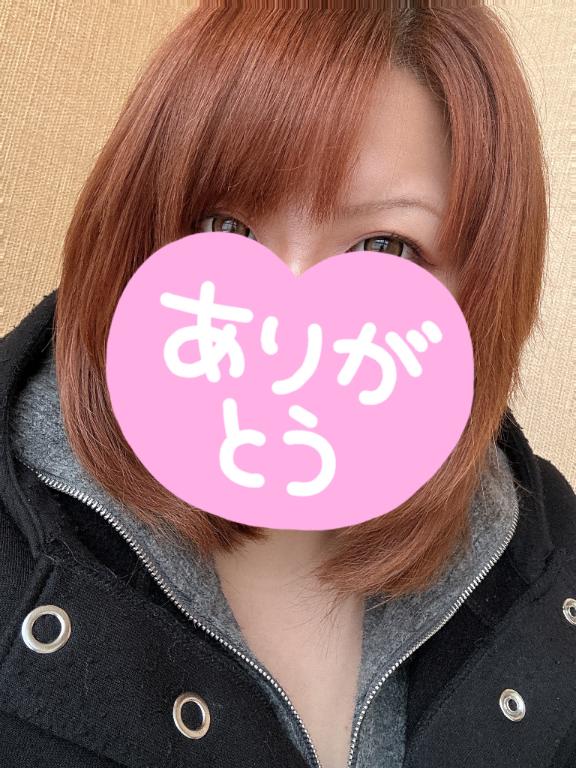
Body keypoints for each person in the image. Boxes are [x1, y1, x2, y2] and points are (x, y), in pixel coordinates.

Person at [1, 4, 575, 768]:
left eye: (384, 246)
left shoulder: (547, 544)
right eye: (225, 226)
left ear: (482, 287)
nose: (289, 317)